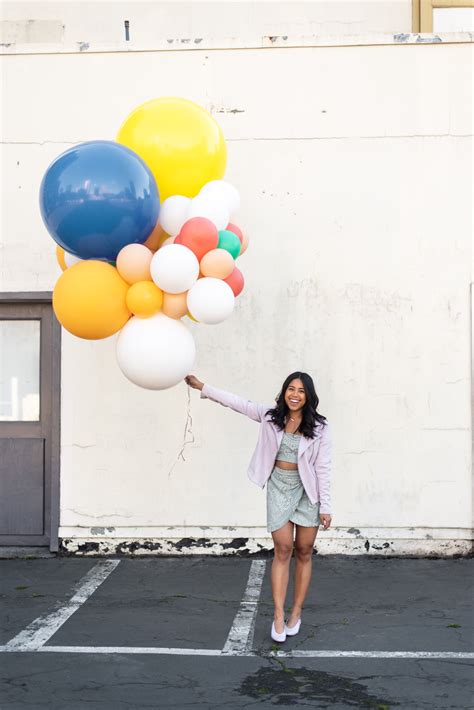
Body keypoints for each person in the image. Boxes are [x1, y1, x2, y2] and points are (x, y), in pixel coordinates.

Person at [184, 371, 332, 644]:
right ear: (284, 392)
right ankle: (278, 613)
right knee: (283, 548)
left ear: (308, 396)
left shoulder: (320, 426)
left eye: (301, 390)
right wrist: (202, 386)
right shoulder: (270, 417)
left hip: (307, 492)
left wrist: (326, 506)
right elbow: (237, 403)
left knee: (304, 551)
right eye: (290, 388)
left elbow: (323, 467)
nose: (295, 394)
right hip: (278, 486)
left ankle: (295, 612)